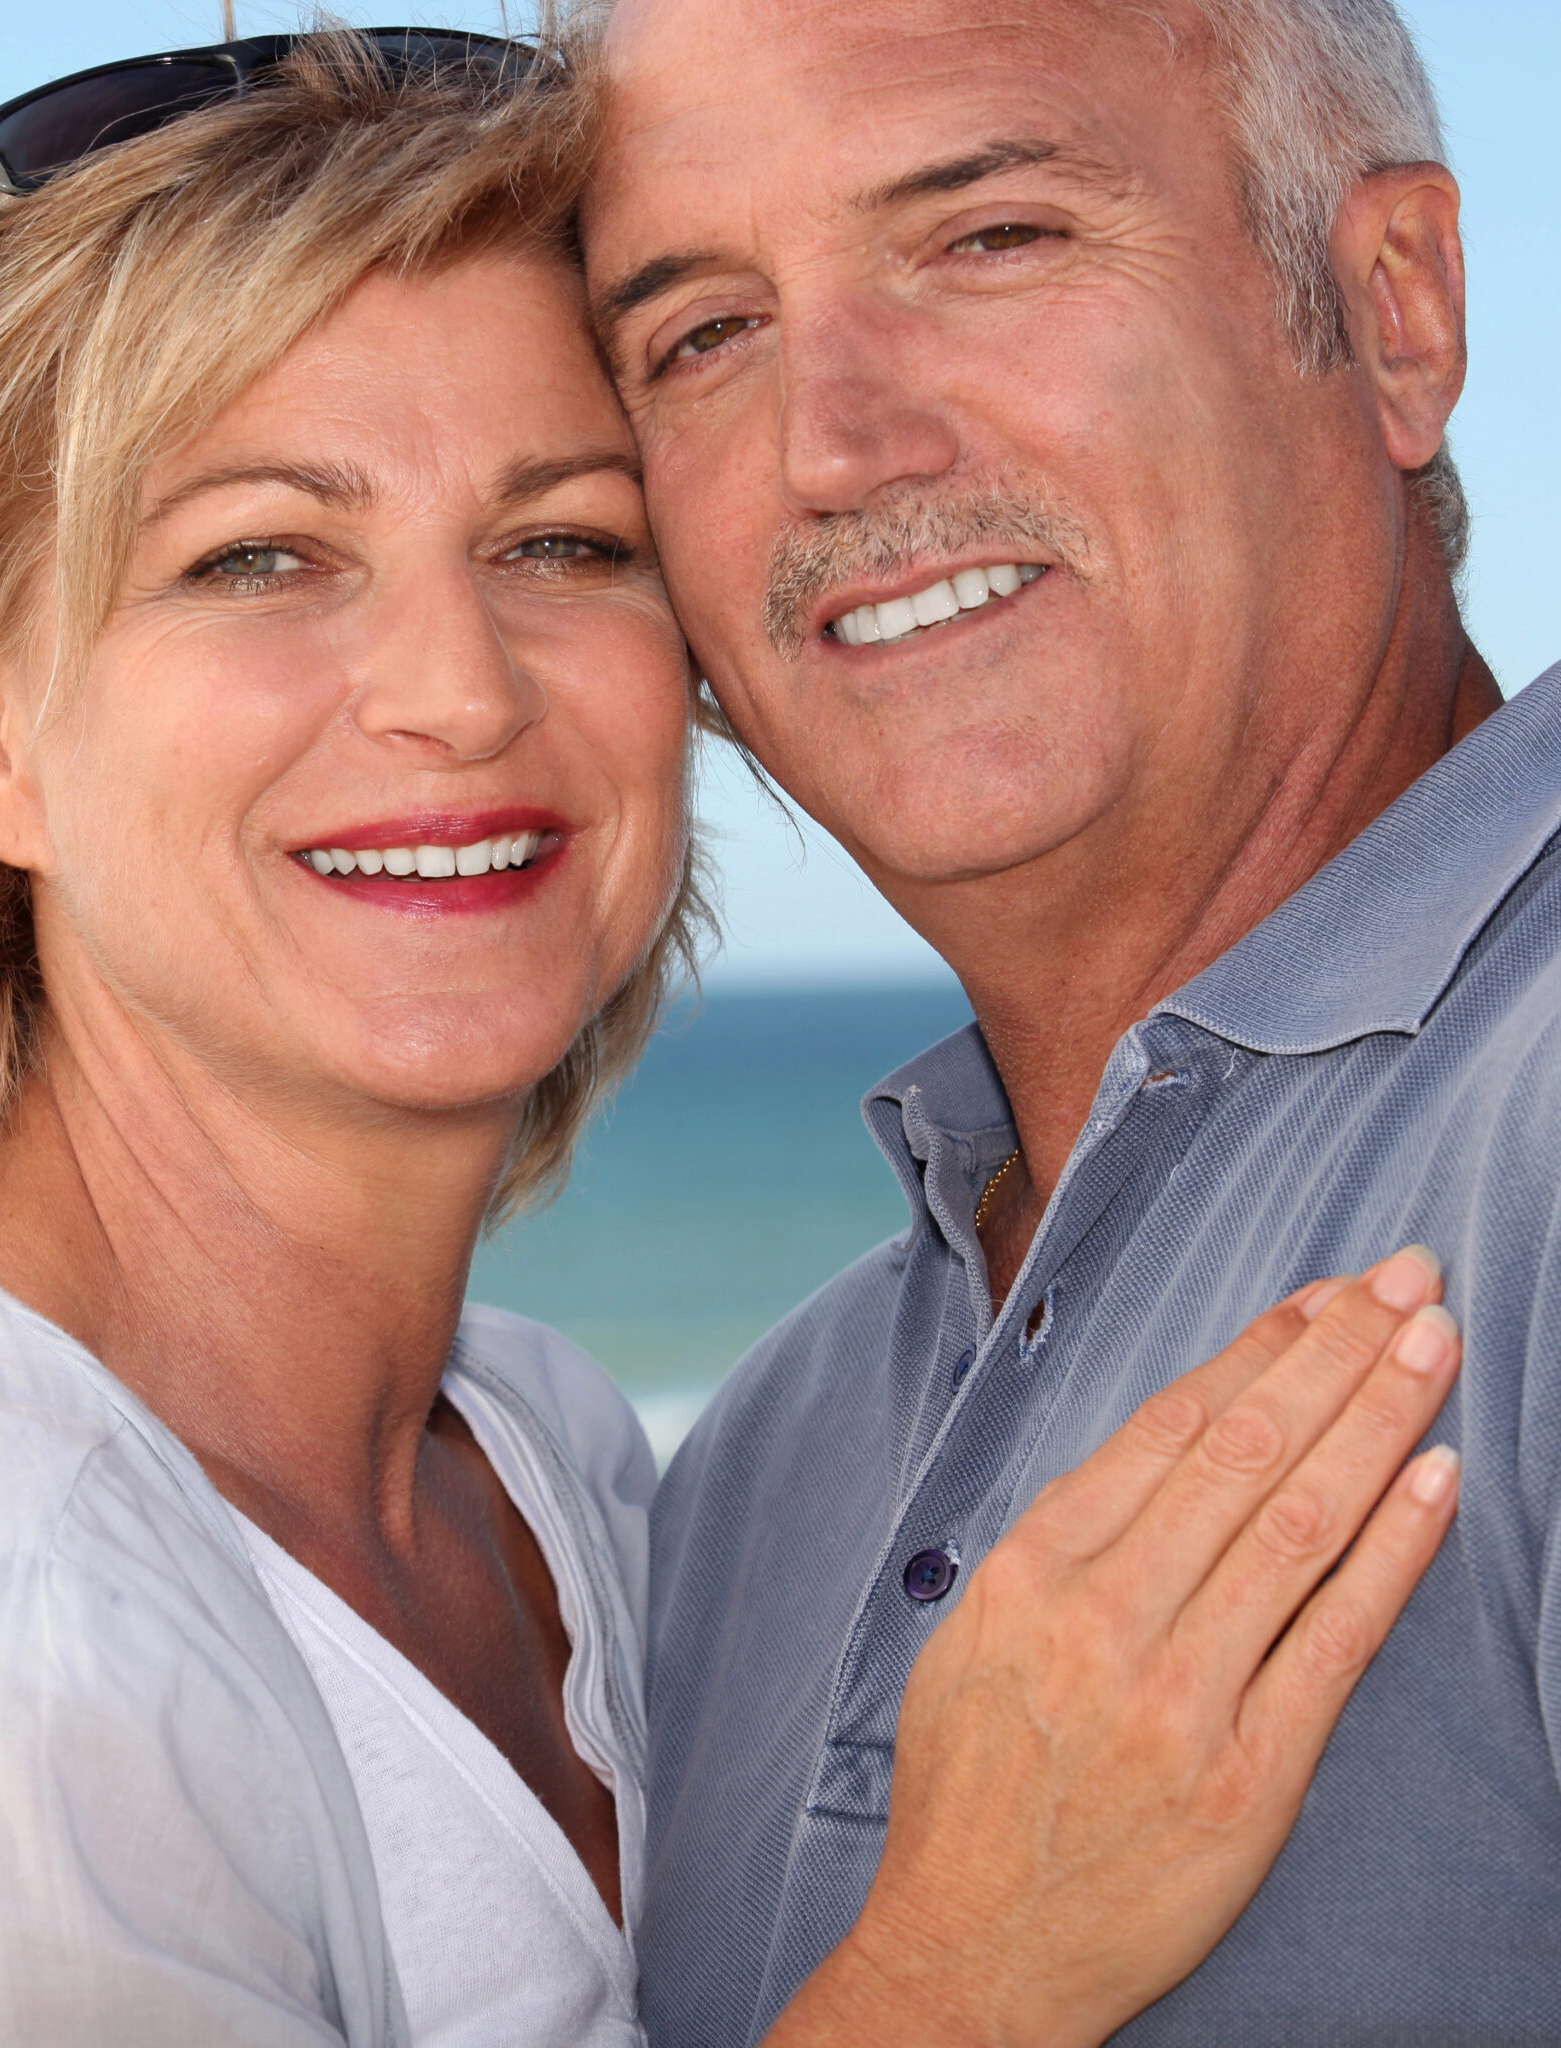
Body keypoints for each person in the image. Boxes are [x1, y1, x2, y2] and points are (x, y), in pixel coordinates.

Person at [0, 27, 1460, 2048]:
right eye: (260, 555)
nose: (454, 689)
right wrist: (962, 1972)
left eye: (562, 542)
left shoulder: (550, 1473)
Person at [578, 0, 1561, 2039]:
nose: (831, 443)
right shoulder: (754, 1475)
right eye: (700, 336)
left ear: (1392, 310)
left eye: (989, 238)